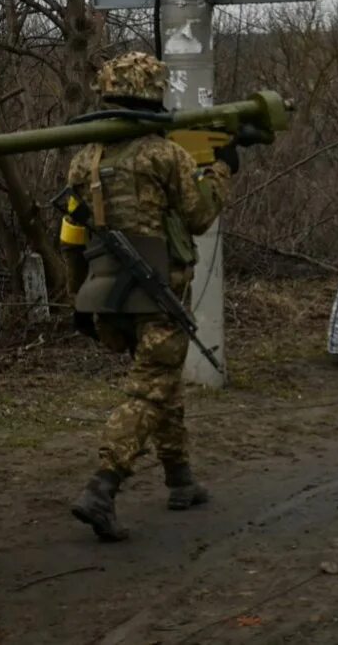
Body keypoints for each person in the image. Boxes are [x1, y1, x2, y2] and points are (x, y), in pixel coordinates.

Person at [63, 52, 236, 542]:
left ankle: (180, 480)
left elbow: (73, 231)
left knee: (164, 385)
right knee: (149, 390)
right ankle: (103, 487)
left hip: (109, 292)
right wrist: (222, 170)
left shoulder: (84, 157)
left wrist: (74, 297)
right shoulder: (164, 155)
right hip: (159, 289)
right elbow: (200, 216)